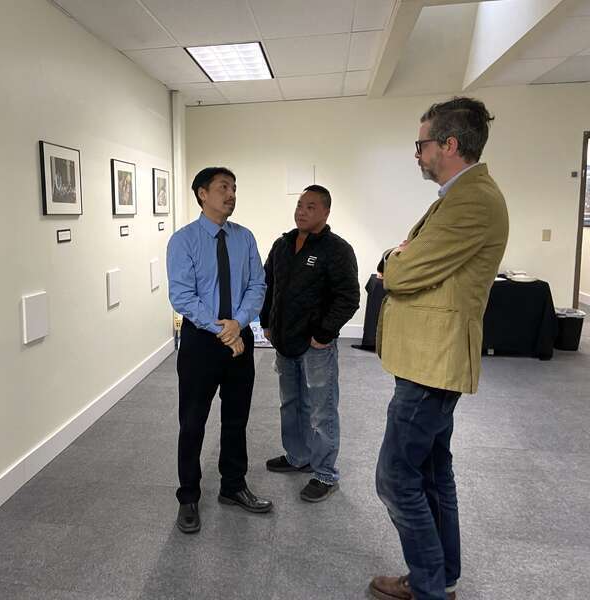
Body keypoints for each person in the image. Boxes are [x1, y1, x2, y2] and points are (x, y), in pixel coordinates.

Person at [370, 97, 509, 600]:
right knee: (431, 471)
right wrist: (401, 257)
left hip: (433, 364)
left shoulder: (472, 200)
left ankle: (429, 587)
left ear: (449, 145)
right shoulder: (458, 195)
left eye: (421, 144)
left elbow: (401, 272)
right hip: (429, 360)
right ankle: (439, 580)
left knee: (395, 477)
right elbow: (409, 263)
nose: (417, 154)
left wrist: (394, 258)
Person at [167, 166, 270, 534]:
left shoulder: (245, 238)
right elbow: (182, 296)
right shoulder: (184, 241)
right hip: (201, 342)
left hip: (239, 339)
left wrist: (237, 323)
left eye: (234, 188)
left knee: (236, 419)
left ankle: (233, 486)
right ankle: (188, 496)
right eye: (223, 187)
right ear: (202, 193)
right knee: (192, 422)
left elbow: (258, 286)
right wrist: (222, 330)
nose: (231, 194)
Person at [260, 185, 359, 502]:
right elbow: (267, 285)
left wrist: (324, 334)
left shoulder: (337, 249)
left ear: (326, 212)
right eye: (300, 205)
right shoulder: (282, 245)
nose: (302, 211)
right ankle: (298, 457)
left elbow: (348, 298)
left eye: (311, 207)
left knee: (321, 410)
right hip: (284, 341)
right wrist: (266, 322)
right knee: (290, 404)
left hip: (316, 346)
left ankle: (325, 474)